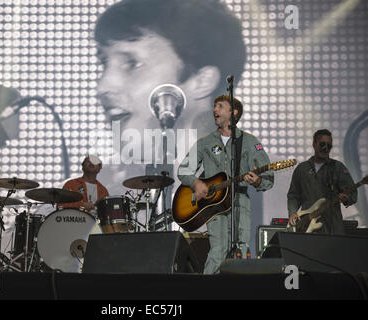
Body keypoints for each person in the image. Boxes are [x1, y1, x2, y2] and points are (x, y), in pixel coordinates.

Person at [94, 0, 247, 195]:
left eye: (132, 63)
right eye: (104, 62)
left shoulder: (275, 191)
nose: (103, 85)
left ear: (202, 81)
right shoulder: (95, 197)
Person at [177, 95, 274, 274]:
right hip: (215, 206)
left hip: (240, 202)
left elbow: (268, 178)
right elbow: (183, 170)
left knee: (241, 250)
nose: (215, 110)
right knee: (218, 251)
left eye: (220, 106)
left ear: (234, 112)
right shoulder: (205, 142)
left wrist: (258, 180)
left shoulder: (250, 142)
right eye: (215, 106)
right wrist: (196, 182)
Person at [287, 129, 358, 235]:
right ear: (314, 144)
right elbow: (293, 195)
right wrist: (292, 212)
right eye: (322, 144)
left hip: (332, 226)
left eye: (329, 146)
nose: (325, 148)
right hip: (307, 225)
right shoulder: (302, 168)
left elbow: (353, 194)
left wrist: (346, 198)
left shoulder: (337, 167)